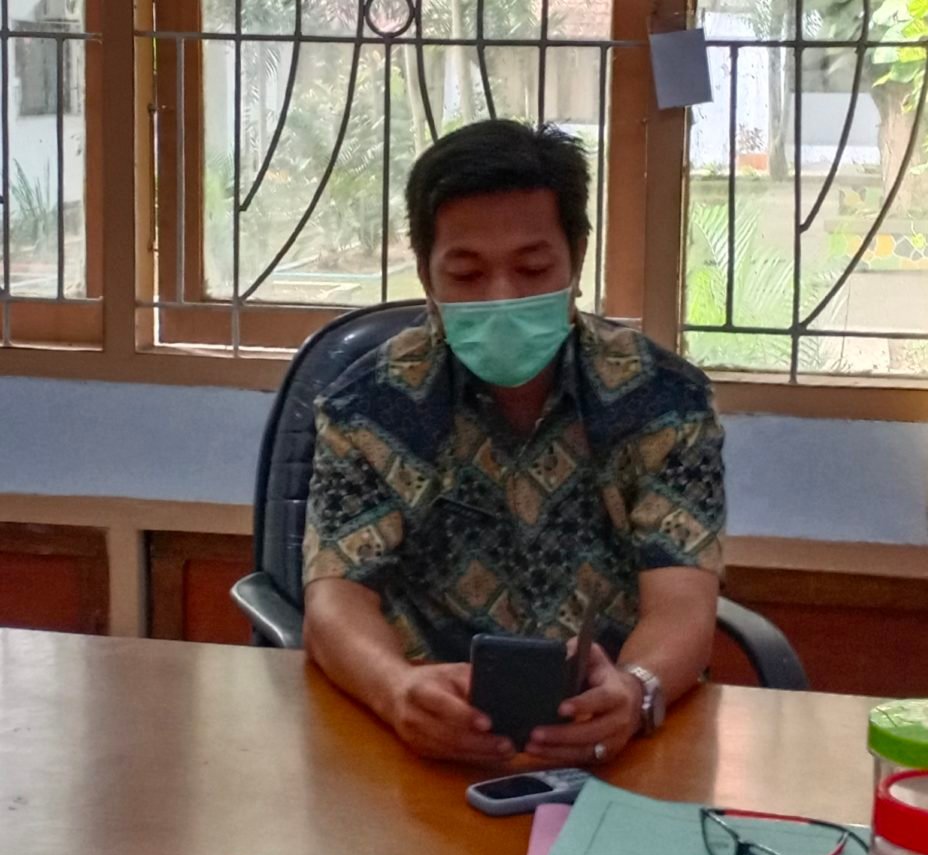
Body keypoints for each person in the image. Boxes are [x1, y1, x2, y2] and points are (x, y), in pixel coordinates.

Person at [302, 119, 724, 766]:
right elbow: (335, 600)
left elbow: (683, 604)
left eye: (532, 268)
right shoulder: (367, 407)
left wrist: (635, 690)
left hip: (612, 749)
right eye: (467, 274)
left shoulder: (665, 401)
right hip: (421, 744)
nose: (502, 298)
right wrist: (396, 690)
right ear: (426, 273)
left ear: (576, 259)